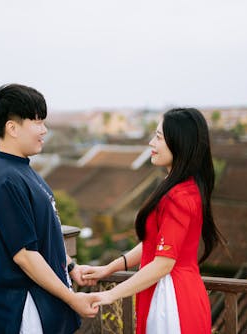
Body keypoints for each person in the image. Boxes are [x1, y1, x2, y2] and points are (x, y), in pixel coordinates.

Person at [82, 108, 224, 333]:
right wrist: (108, 269)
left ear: (180, 143)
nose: (150, 143)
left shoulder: (179, 195)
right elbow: (153, 244)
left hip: (171, 301)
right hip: (172, 292)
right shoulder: (181, 187)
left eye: (158, 137)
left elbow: (163, 263)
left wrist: (109, 294)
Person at [0, 83, 99, 334]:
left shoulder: (22, 169)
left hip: (46, 303)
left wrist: (70, 267)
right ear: (12, 128)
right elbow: (24, 255)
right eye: (37, 122)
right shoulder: (5, 179)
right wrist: (72, 299)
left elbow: (46, 234)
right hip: (27, 308)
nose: (44, 130)